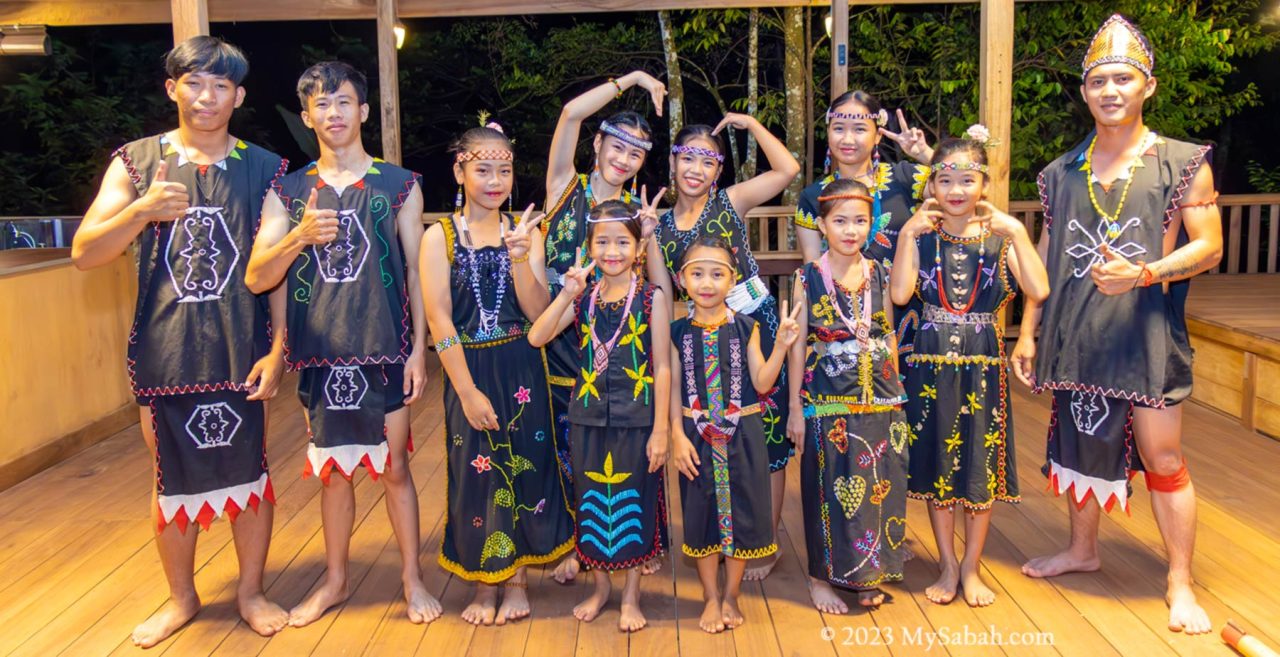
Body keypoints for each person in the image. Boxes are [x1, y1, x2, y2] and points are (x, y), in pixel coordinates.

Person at [71, 36, 290, 647]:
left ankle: (250, 590)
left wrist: (278, 350)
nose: (207, 97)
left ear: (239, 96)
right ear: (173, 89)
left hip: (240, 348)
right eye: (194, 83)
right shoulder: (137, 162)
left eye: (222, 85)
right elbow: (86, 254)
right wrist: (140, 211)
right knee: (170, 477)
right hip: (164, 353)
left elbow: (274, 269)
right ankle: (182, 597)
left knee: (251, 472)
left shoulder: (264, 168)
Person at [1014, 14, 1222, 635]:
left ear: (1147, 87)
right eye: (1099, 80)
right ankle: (1082, 550)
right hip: (1077, 333)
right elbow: (1045, 261)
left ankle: (1179, 581)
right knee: (1079, 442)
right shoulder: (1059, 173)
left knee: (1162, 455)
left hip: (1146, 333)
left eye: (1123, 79)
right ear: (1084, 92)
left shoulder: (1182, 163)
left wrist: (1147, 271)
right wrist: (1028, 330)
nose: (1110, 90)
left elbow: (1208, 247)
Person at [244, 61, 440, 626]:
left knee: (396, 467)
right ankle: (335, 578)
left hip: (384, 348)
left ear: (364, 111)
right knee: (333, 473)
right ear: (307, 116)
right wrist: (300, 236)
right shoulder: (287, 189)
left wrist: (417, 351)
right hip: (321, 353)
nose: (334, 113)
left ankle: (412, 578)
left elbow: (412, 271)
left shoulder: (399, 183)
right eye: (321, 105)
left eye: (344, 102)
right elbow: (260, 276)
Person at [419, 123, 575, 625]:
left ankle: (518, 579)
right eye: (482, 168)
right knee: (476, 473)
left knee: (530, 467)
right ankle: (485, 580)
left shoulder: (528, 232)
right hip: (470, 368)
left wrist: (519, 259)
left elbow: (539, 314)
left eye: (503, 169)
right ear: (459, 170)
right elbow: (440, 318)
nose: (494, 179)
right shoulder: (437, 237)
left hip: (521, 364)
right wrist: (464, 390)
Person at [890, 131, 1049, 607]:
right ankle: (946, 563)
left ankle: (973, 568)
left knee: (978, 467)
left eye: (967, 179)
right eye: (945, 179)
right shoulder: (922, 236)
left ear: (984, 183)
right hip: (931, 362)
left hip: (983, 364)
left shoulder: (1001, 239)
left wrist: (1018, 230)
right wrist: (905, 235)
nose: (956, 189)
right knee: (941, 464)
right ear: (932, 186)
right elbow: (899, 295)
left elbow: (1038, 289)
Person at [648, 115, 801, 581]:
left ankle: (764, 542)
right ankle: (716, 534)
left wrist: (751, 125)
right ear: (673, 163)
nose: (696, 169)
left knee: (766, 439)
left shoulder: (730, 203)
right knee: (716, 433)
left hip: (755, 320)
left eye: (707, 161)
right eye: (687, 158)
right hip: (701, 332)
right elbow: (659, 295)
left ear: (718, 170)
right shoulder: (658, 229)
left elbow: (787, 170)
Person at [541, 70, 666, 583]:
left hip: (614, 343)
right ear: (598, 143)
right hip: (560, 325)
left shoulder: (637, 213)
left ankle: (634, 543)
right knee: (565, 442)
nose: (624, 158)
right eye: (617, 146)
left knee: (620, 445)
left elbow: (660, 287)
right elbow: (570, 112)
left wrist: (651, 236)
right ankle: (580, 542)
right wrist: (632, 78)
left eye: (636, 154)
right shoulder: (562, 186)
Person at [528, 199, 671, 632]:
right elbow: (538, 336)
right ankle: (601, 587)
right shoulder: (583, 298)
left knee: (636, 504)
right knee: (592, 504)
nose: (612, 251)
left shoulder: (652, 298)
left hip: (638, 418)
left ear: (637, 247)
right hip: (587, 418)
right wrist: (567, 294)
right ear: (589, 247)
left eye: (622, 242)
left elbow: (663, 365)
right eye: (603, 242)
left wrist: (661, 429)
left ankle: (630, 594)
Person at [787, 178, 911, 613]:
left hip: (881, 399)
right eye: (840, 221)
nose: (850, 230)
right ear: (821, 225)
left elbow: (889, 333)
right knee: (827, 489)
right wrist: (795, 411)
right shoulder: (807, 278)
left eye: (860, 220)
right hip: (828, 402)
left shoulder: (878, 271)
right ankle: (820, 578)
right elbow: (798, 347)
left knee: (880, 486)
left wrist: (896, 397)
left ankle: (867, 574)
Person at [668, 235, 801, 632]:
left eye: (717, 274)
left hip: (743, 434)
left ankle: (731, 594)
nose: (707, 283)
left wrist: (781, 346)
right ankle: (710, 596)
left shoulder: (748, 327)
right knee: (702, 511)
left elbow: (761, 382)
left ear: (733, 280)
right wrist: (676, 434)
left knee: (742, 512)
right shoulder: (676, 333)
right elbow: (671, 390)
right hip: (694, 435)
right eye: (697, 274)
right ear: (682, 280)